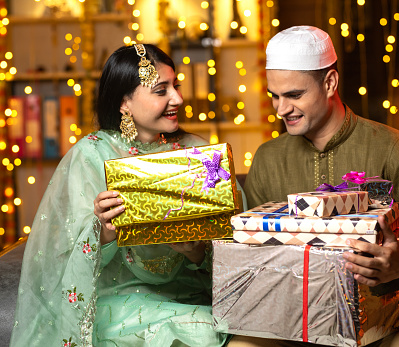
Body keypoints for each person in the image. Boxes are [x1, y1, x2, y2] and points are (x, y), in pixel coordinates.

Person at [238, 26, 399, 347]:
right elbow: (254, 251)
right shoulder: (268, 157)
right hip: (297, 321)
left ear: (330, 83)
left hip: (387, 318)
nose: (281, 109)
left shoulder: (392, 146)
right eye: (274, 96)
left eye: (294, 95)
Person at [10, 44, 235, 347]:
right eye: (161, 90)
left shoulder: (197, 154)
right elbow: (59, 259)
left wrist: (194, 250)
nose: (178, 99)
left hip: (192, 296)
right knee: (203, 332)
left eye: (176, 86)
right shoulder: (90, 156)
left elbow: (236, 245)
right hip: (118, 304)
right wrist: (102, 232)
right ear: (123, 103)